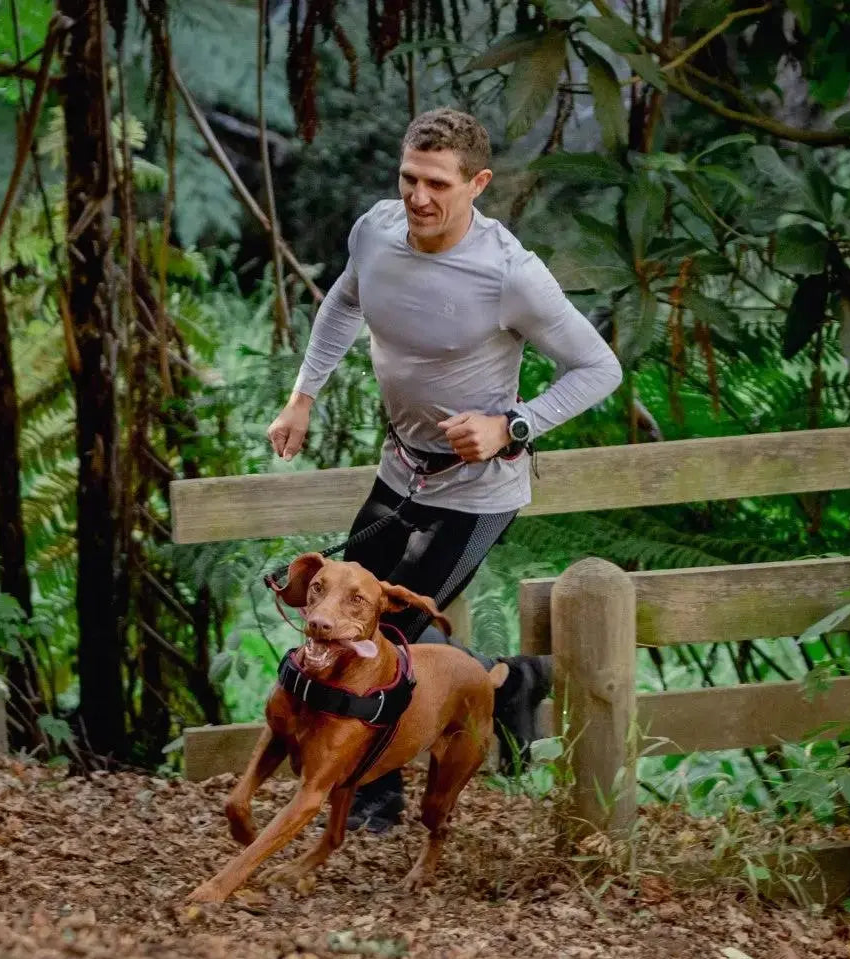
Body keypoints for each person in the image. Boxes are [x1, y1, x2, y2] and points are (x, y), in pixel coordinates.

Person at [267, 107, 623, 832]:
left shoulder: (511, 274)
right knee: (350, 609)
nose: (418, 197)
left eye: (437, 184)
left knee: (388, 632)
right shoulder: (375, 233)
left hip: (475, 491)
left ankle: (372, 793)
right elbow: (343, 302)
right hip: (400, 470)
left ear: (478, 184)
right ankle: (509, 681)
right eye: (409, 178)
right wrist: (303, 396)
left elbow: (599, 369)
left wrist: (511, 424)